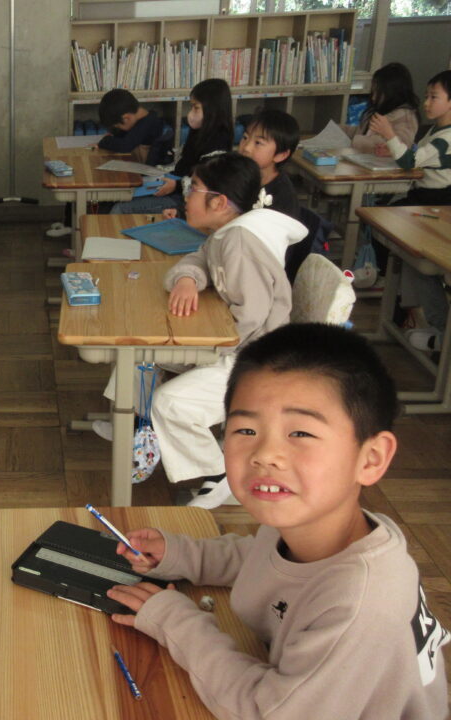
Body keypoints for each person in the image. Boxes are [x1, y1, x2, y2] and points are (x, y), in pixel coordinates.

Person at [106, 323, 449, 719]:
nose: (265, 454)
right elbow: (262, 557)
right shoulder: (311, 524)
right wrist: (183, 554)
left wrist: (174, 620)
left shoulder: (360, 604)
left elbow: (264, 710)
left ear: (370, 459)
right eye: (246, 429)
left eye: (300, 432)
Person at [156, 152, 307, 509]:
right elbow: (199, 258)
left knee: (170, 403)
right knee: (142, 359)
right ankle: (135, 426)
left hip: (256, 362)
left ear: (219, 202)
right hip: (235, 346)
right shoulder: (227, 233)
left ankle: (224, 475)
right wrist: (189, 279)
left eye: (193, 188)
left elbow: (252, 316)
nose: (186, 196)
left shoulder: (241, 242)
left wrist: (199, 352)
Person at [371, 69, 451, 352]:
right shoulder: (436, 130)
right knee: (405, 252)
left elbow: (410, 161)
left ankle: (419, 316)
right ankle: (409, 311)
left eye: (434, 97)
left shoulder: (446, 137)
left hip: (437, 203)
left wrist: (390, 135)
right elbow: (417, 156)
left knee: (407, 249)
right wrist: (392, 148)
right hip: (425, 198)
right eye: (426, 96)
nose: (426, 103)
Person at [111, 78, 233, 216]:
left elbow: (205, 185)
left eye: (196, 107)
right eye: (191, 106)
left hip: (184, 200)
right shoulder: (200, 131)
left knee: (120, 208)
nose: (191, 112)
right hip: (175, 187)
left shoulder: (219, 141)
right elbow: (184, 166)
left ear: (212, 109)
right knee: (121, 196)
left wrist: (176, 186)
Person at [237, 108, 300, 219]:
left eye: (258, 143)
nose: (246, 147)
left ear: (281, 155)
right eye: (245, 137)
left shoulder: (283, 197)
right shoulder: (238, 174)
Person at [346, 62, 420, 155]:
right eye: (373, 91)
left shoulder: (405, 117)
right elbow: (361, 130)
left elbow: (400, 146)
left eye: (378, 92)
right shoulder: (380, 111)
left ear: (392, 92)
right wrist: (341, 130)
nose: (373, 98)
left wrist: (356, 141)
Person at [96, 88, 165, 158]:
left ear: (126, 118)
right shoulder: (148, 117)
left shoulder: (147, 124)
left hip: (144, 164)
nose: (119, 129)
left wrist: (105, 141)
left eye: (118, 127)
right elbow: (128, 134)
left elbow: (125, 146)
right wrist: (114, 136)